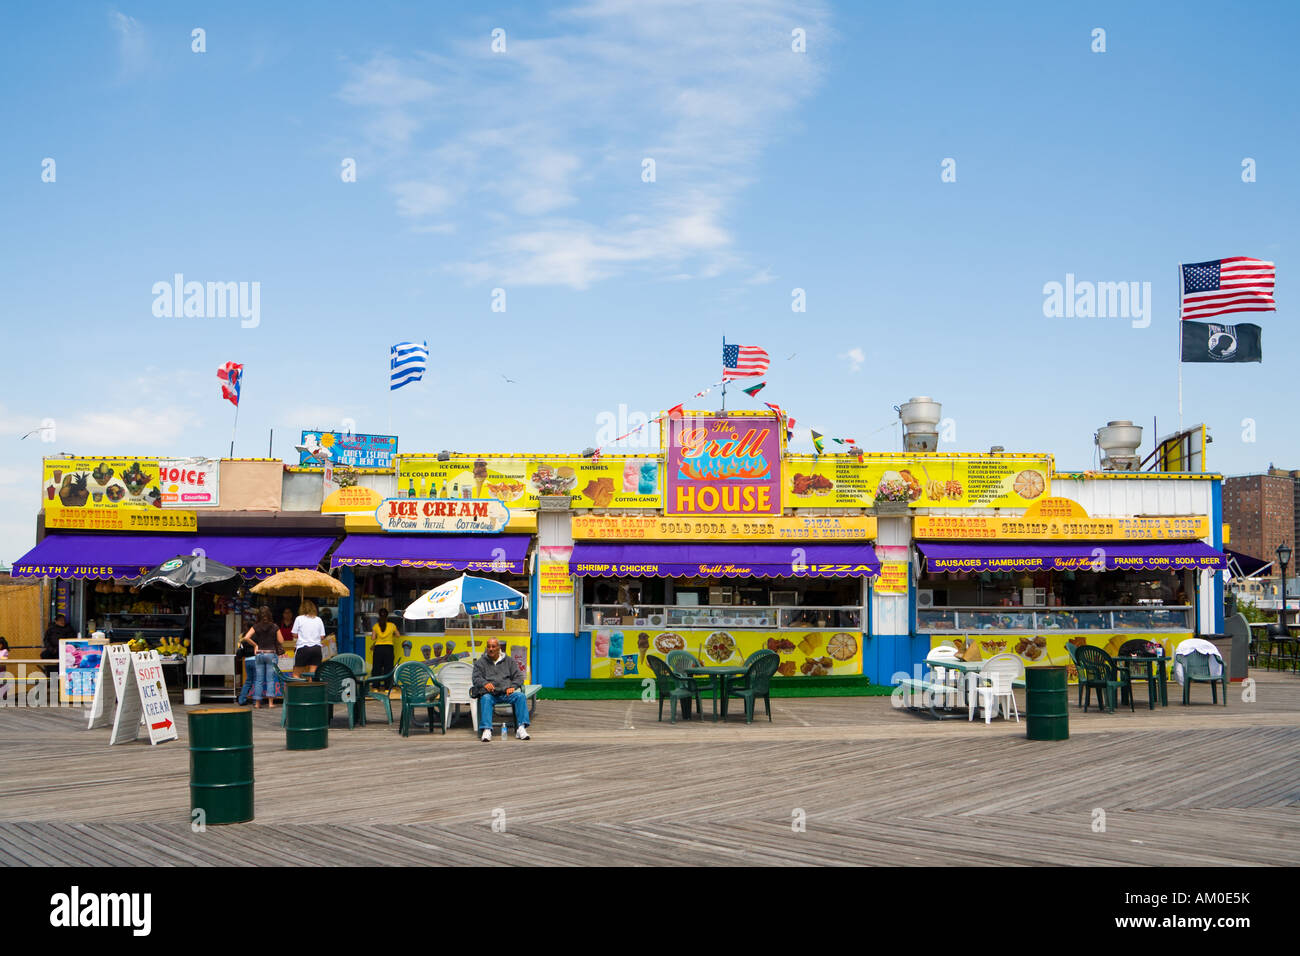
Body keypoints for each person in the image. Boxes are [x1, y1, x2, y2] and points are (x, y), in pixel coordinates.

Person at [471, 637, 530, 741]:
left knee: (520, 696)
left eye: (493, 646)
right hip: (490, 694)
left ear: (499, 648)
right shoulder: (480, 662)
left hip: (506, 693)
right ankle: (487, 730)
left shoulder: (509, 661)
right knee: (485, 699)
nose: (491, 649)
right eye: (489, 646)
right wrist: (485, 683)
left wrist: (513, 686)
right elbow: (475, 678)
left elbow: (519, 677)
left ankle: (521, 728)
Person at [242, 606, 283, 708]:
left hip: (259, 654)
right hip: (271, 654)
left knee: (258, 680)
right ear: (270, 615)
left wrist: (255, 645)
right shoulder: (274, 626)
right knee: (270, 679)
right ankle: (270, 703)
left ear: (259, 615)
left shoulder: (256, 626)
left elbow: (246, 637)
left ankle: (257, 703)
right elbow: (281, 641)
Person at [291, 600, 326, 677]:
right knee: (312, 675)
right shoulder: (318, 619)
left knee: (296, 674)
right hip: (316, 649)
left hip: (303, 648)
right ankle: (311, 688)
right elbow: (322, 636)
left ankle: (298, 689)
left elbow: (294, 634)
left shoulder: (299, 619)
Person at [369, 608, 399, 689]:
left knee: (376, 668)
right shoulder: (392, 625)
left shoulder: (376, 626)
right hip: (389, 648)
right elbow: (398, 635)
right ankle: (387, 688)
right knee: (388, 668)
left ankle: (375, 687)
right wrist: (390, 635)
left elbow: (373, 637)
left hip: (378, 648)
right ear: (387, 615)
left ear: (379, 615)